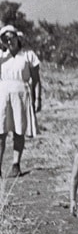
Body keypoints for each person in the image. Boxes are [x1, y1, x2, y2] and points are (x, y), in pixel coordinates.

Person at [0, 25, 42, 177]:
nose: (9, 40)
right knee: (1, 132)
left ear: (18, 37)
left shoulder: (28, 55)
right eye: (5, 38)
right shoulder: (1, 56)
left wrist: (37, 99)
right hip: (3, 95)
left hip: (21, 94)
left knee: (19, 131)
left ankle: (16, 164)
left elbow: (36, 79)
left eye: (11, 37)